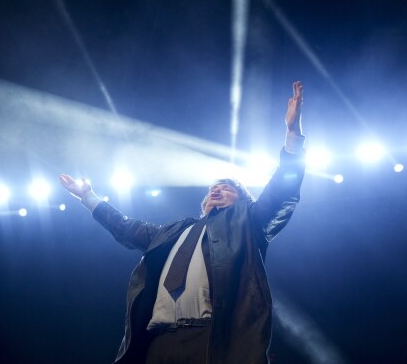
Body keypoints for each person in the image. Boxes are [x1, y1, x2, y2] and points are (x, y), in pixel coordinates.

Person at [59, 81, 306, 363]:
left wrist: (292, 134)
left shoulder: (247, 222)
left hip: (210, 343)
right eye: (213, 187)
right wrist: (88, 197)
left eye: (227, 187)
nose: (217, 189)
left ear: (242, 200)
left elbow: (281, 194)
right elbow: (127, 227)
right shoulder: (174, 232)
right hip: (158, 345)